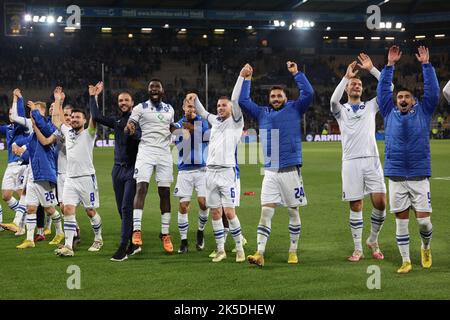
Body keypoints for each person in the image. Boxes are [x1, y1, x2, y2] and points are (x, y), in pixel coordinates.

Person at [238, 61, 314, 266]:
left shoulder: (295, 108)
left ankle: (293, 250)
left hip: (291, 170)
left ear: (286, 98)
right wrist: (246, 78)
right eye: (273, 96)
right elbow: (243, 100)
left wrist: (297, 73)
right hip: (270, 171)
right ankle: (260, 252)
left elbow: (309, 93)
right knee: (265, 211)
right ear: (269, 99)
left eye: (280, 95)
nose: (276, 98)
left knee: (292, 211)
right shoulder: (262, 113)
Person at [377, 45, 439, 273]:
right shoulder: (388, 111)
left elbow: (433, 92)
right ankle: (405, 260)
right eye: (400, 96)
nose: (402, 99)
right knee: (401, 222)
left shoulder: (424, 110)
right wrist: (389, 65)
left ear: (413, 100)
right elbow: (383, 91)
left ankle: (425, 245)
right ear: (396, 101)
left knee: (423, 222)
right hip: (395, 176)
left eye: (407, 96)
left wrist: (426, 65)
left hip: (419, 175)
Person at [330, 54, 387, 262]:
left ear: (362, 89)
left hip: (371, 159)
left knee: (380, 203)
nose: (356, 86)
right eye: (353, 84)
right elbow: (333, 100)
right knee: (356, 206)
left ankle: (373, 239)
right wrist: (346, 77)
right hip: (351, 161)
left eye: (359, 84)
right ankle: (358, 249)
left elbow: (387, 88)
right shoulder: (341, 110)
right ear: (347, 88)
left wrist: (372, 69)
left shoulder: (371, 106)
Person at [187, 75, 246, 263]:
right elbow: (203, 113)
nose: (220, 108)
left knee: (229, 213)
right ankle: (221, 249)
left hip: (227, 172)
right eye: (219, 105)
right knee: (215, 213)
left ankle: (239, 248)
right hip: (210, 172)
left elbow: (236, 98)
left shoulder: (236, 121)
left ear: (231, 108)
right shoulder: (215, 121)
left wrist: (240, 77)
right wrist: (194, 99)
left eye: (224, 105)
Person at [90, 82, 142, 261]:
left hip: (132, 170)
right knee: (122, 209)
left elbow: (140, 137)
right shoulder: (117, 121)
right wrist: (93, 96)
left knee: (127, 207)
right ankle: (133, 241)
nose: (123, 102)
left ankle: (123, 247)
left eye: (126, 100)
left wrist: (133, 133)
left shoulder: (139, 121)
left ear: (132, 102)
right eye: (120, 100)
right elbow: (96, 116)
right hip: (116, 170)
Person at [51, 86, 103, 257]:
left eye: (77, 117)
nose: (73, 120)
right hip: (70, 179)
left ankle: (98, 238)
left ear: (84, 120)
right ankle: (68, 246)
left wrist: (93, 97)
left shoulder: (90, 133)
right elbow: (56, 121)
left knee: (90, 211)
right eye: (72, 117)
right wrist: (58, 100)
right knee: (67, 209)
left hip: (87, 178)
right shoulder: (68, 133)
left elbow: (95, 117)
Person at [125, 79, 175, 253]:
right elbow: (131, 124)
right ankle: (137, 231)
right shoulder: (140, 108)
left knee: (165, 192)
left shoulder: (170, 109)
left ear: (162, 90)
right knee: (141, 188)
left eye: (157, 87)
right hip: (146, 152)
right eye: (151, 87)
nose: (154, 89)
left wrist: (180, 130)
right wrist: (129, 128)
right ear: (148, 91)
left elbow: (170, 127)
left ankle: (165, 233)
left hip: (164, 153)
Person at [9, 93, 64, 249]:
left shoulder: (50, 127)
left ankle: (60, 232)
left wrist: (34, 112)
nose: (33, 115)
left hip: (45, 174)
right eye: (32, 112)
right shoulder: (34, 133)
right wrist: (20, 150)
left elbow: (45, 134)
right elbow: (31, 153)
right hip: (33, 175)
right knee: (31, 207)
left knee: (49, 208)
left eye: (36, 112)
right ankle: (29, 240)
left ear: (43, 113)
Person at [172, 97, 210, 253]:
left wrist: (192, 128)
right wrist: (182, 129)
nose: (191, 110)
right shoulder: (179, 123)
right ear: (183, 107)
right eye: (189, 107)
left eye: (194, 107)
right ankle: (184, 241)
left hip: (202, 170)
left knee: (203, 203)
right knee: (183, 205)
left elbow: (206, 135)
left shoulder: (203, 121)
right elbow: (175, 132)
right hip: (184, 171)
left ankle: (200, 232)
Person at [0, 89, 29, 233]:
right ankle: (23, 219)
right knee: (5, 196)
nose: (12, 114)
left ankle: (21, 224)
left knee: (22, 195)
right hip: (10, 166)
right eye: (11, 113)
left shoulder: (22, 127)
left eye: (14, 112)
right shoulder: (7, 128)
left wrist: (18, 99)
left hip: (21, 165)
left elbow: (21, 114)